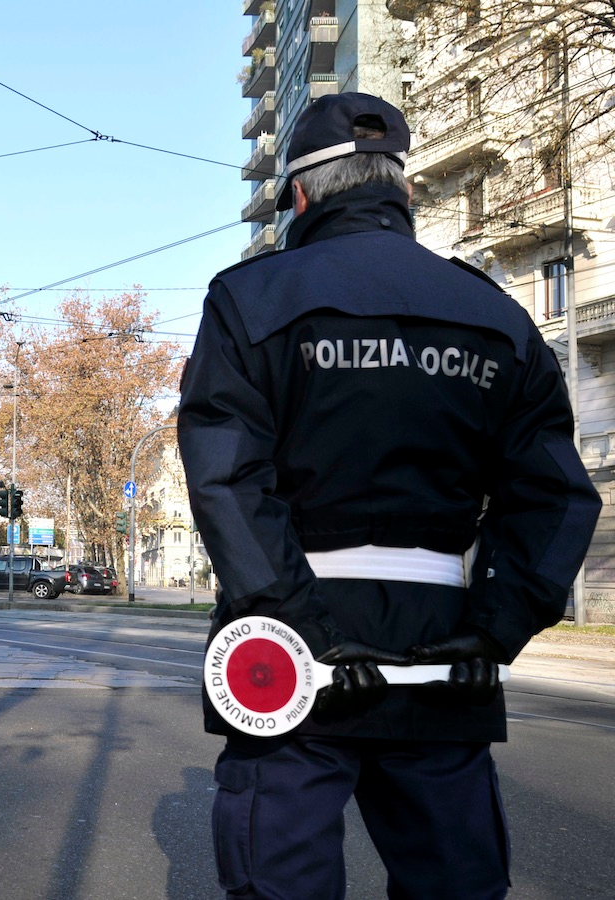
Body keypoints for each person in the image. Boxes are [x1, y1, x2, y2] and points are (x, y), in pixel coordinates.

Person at [177, 92, 601, 899]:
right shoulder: (498, 317)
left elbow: (228, 477)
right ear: (401, 192)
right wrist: (495, 628)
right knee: (453, 879)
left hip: (292, 654)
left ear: (300, 195)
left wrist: (300, 621)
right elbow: (554, 495)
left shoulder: (249, 299)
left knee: (281, 881)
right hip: (444, 646)